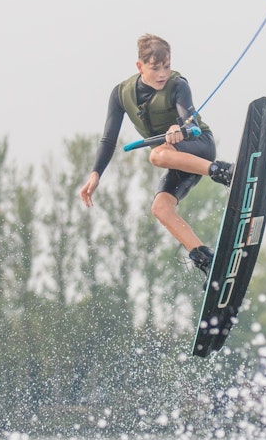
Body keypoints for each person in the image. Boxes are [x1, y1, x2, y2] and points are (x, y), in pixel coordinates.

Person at [79, 34, 233, 274]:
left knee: (156, 156)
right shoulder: (121, 94)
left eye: (167, 66)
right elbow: (109, 139)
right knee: (160, 208)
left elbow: (188, 122)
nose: (163, 73)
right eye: (155, 68)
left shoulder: (178, 85)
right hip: (174, 159)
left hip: (199, 146)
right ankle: (207, 262)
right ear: (140, 67)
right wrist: (95, 173)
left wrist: (178, 129)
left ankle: (224, 172)